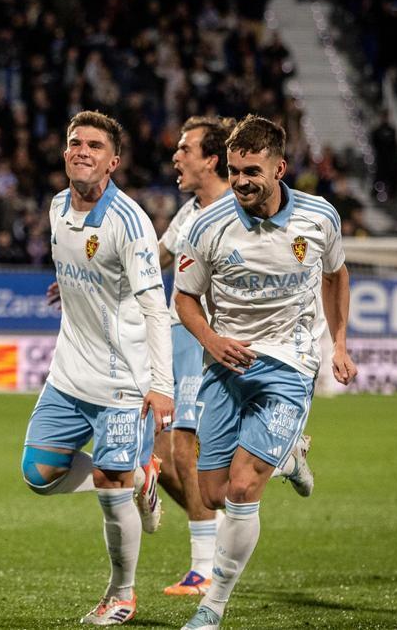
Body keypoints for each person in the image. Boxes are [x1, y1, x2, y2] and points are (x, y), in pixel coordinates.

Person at [176, 115, 357, 630]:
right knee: (210, 494)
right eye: (234, 171)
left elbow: (336, 275)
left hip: (290, 364)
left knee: (241, 488)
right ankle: (290, 455)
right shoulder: (207, 226)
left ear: (280, 167)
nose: (240, 182)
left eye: (251, 170)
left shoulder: (319, 218)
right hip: (226, 364)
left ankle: (213, 606)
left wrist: (339, 343)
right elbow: (185, 299)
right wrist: (212, 340)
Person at [20, 111, 174, 626]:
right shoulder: (56, 206)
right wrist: (71, 284)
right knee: (38, 473)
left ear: (113, 161)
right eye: (74, 143)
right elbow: (87, 263)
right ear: (65, 153)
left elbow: (156, 307)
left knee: (109, 487)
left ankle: (122, 595)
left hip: (122, 383)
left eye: (94, 145)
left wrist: (161, 386)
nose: (82, 151)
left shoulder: (130, 223)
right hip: (68, 374)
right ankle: (140, 473)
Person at [150, 115, 237, 596]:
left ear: (211, 159)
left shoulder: (233, 212)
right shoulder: (189, 211)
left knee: (184, 449)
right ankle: (219, 532)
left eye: (185, 149)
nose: (176, 156)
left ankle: (204, 569)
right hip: (174, 337)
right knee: (159, 455)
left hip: (205, 340)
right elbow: (158, 257)